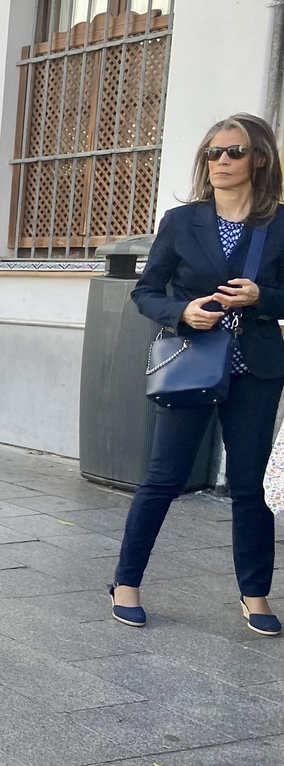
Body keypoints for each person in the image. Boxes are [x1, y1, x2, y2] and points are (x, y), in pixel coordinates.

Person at [110, 114, 284, 636]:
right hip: (192, 363)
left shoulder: (279, 223)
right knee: (163, 479)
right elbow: (146, 291)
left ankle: (255, 595)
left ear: (259, 158)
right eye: (213, 153)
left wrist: (262, 299)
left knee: (250, 485)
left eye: (233, 152)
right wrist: (182, 313)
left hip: (255, 368)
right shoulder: (182, 222)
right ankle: (125, 583)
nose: (222, 162)